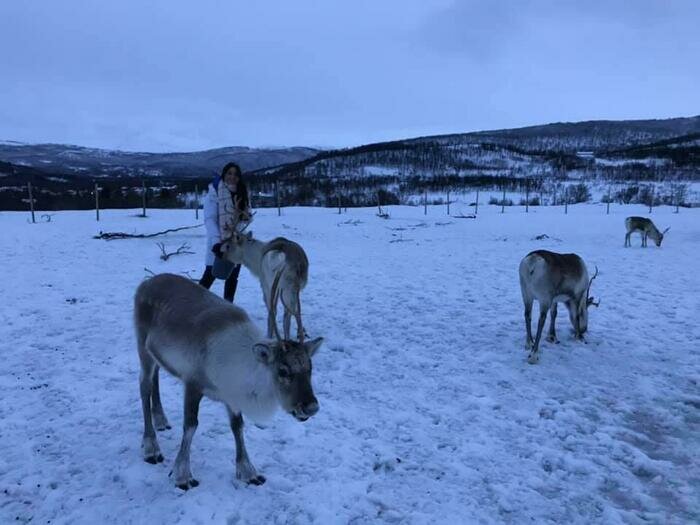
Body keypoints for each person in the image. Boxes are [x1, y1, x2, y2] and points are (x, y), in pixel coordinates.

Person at [199, 162, 251, 302]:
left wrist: (245, 220)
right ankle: (193, 303)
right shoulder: (214, 193)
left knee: (233, 276)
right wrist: (216, 243)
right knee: (210, 274)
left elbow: (244, 219)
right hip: (219, 242)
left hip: (235, 242)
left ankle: (228, 306)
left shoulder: (241, 193)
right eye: (229, 173)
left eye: (235, 174)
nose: (232, 177)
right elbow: (210, 220)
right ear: (224, 174)